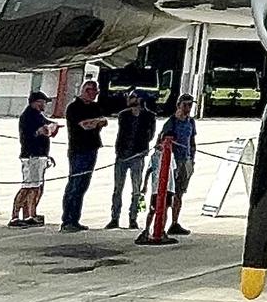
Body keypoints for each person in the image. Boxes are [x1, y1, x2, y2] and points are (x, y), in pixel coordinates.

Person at [60, 78, 110, 229]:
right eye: (90, 91)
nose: (93, 94)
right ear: (84, 91)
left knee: (83, 185)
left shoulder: (95, 107)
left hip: (92, 147)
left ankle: (75, 219)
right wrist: (96, 122)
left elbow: (103, 121)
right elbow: (85, 125)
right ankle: (67, 220)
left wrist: (95, 122)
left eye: (95, 91)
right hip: (78, 149)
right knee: (75, 184)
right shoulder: (74, 107)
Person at [109, 92, 156, 230]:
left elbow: (150, 135)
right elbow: (121, 134)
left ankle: (133, 218)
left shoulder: (149, 116)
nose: (129, 99)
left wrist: (142, 149)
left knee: (136, 190)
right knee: (118, 189)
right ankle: (114, 218)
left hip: (138, 155)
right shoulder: (123, 115)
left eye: (133, 97)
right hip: (122, 155)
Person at [11, 89, 57, 227]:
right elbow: (41, 131)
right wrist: (46, 129)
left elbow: (50, 124)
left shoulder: (38, 115)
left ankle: (30, 214)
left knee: (36, 187)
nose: (44, 105)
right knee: (27, 186)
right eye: (43, 102)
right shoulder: (29, 116)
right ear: (36, 102)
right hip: (31, 155)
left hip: (39, 155)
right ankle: (14, 216)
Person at [157, 94, 198, 236]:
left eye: (190, 105)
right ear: (178, 105)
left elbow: (192, 141)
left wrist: (192, 159)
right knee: (169, 194)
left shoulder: (191, 122)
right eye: (185, 104)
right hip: (172, 161)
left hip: (185, 161)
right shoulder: (171, 122)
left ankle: (174, 223)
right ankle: (161, 224)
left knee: (179, 193)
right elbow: (160, 142)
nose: (188, 108)